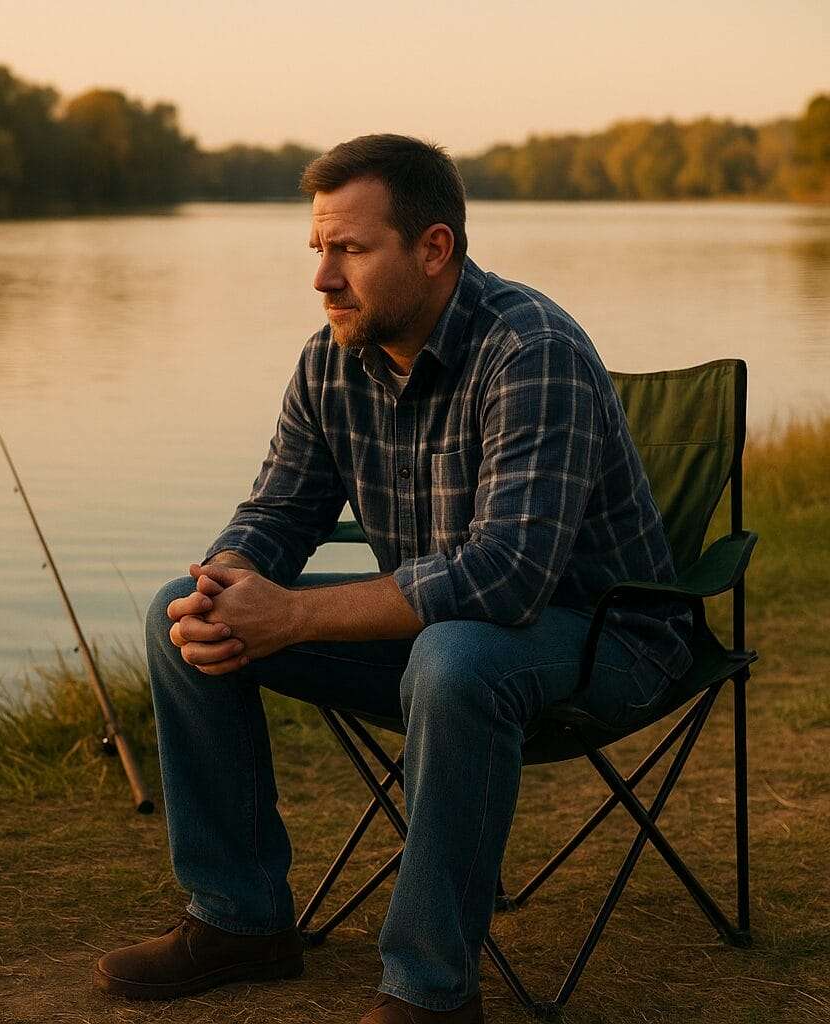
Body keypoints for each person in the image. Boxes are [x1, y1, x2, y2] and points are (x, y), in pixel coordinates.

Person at [92, 134, 692, 1024]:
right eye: (319, 250)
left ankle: (430, 989)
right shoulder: (331, 360)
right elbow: (277, 513)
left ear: (434, 249)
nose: (323, 279)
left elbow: (507, 576)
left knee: (456, 660)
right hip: (438, 637)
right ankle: (241, 921)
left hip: (608, 638)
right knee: (178, 619)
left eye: (350, 250)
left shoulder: (532, 349)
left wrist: (292, 616)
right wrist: (227, 582)